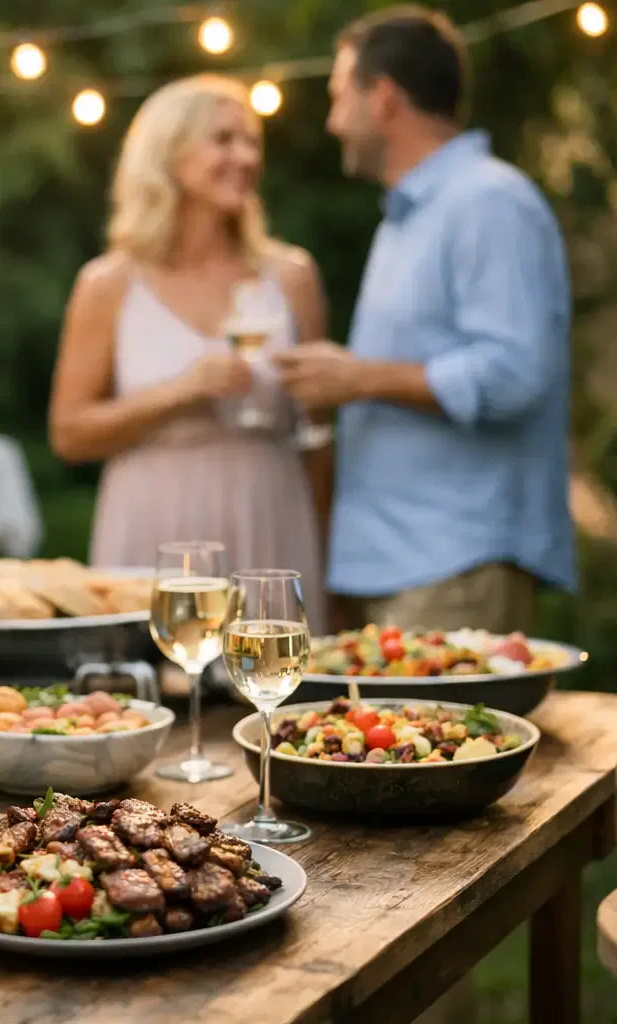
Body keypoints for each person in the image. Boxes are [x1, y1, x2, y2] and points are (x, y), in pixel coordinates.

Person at [275, 5, 575, 637]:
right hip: (401, 564)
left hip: (456, 565)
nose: (332, 123)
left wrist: (356, 379)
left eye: (338, 99)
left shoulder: (488, 201)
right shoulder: (408, 216)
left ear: (382, 99)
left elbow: (514, 374)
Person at [48, 74, 332, 632]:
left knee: (278, 706)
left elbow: (320, 437)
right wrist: (183, 389)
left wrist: (328, 560)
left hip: (271, 518)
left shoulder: (291, 276)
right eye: (224, 140)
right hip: (154, 528)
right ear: (168, 153)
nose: (245, 157)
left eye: (252, 142)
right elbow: (70, 433)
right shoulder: (108, 284)